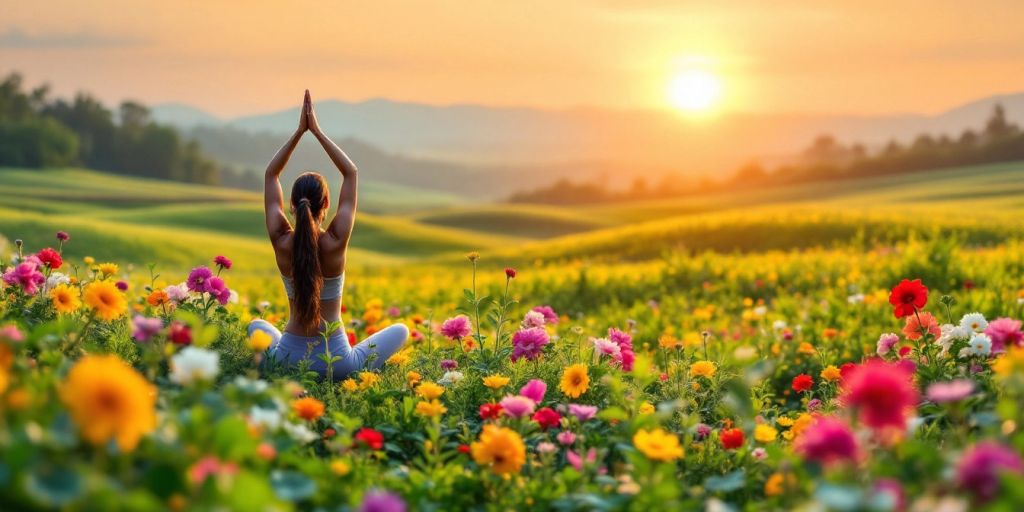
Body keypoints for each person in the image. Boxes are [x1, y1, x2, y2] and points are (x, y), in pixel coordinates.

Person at [248, 90, 408, 379]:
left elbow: (271, 175)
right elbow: (351, 173)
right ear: (326, 204)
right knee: (402, 330)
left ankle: (270, 371)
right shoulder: (335, 242)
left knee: (255, 326)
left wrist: (299, 133)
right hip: (337, 365)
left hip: (286, 361)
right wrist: (317, 132)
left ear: (293, 206)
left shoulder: (281, 239)